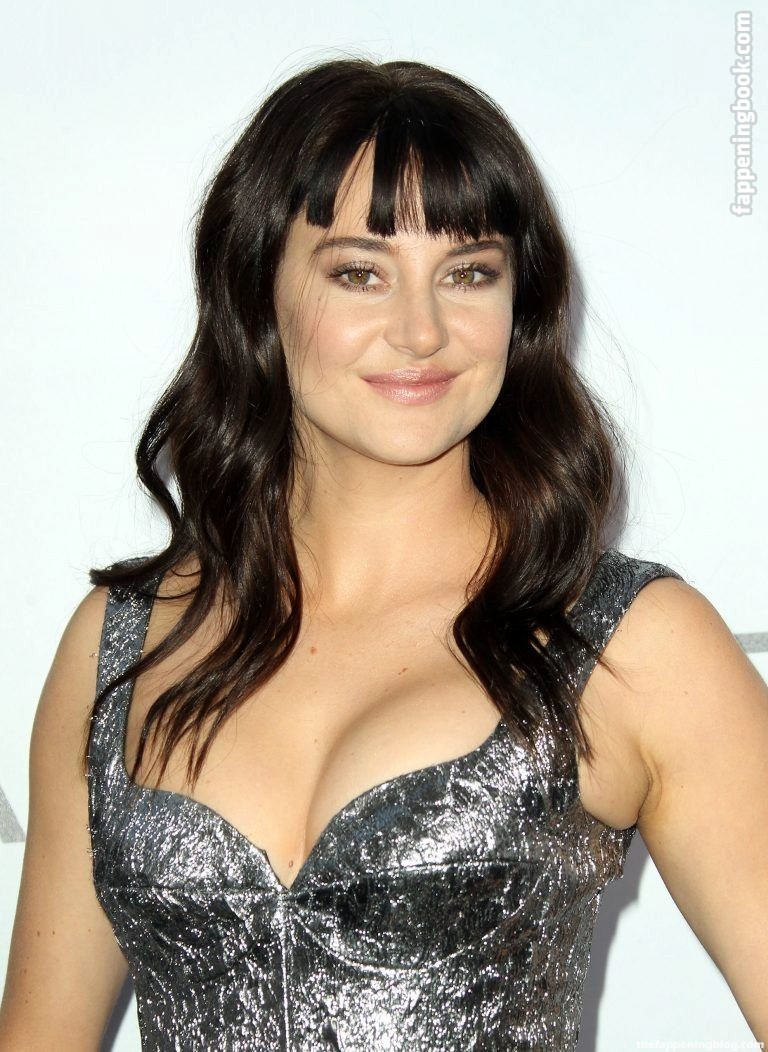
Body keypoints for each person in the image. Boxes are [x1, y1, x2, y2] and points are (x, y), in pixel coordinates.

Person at [1, 56, 766, 1052]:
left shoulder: (628, 644)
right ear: (259, 291)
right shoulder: (125, 642)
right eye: (359, 272)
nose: (422, 330)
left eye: (470, 273)